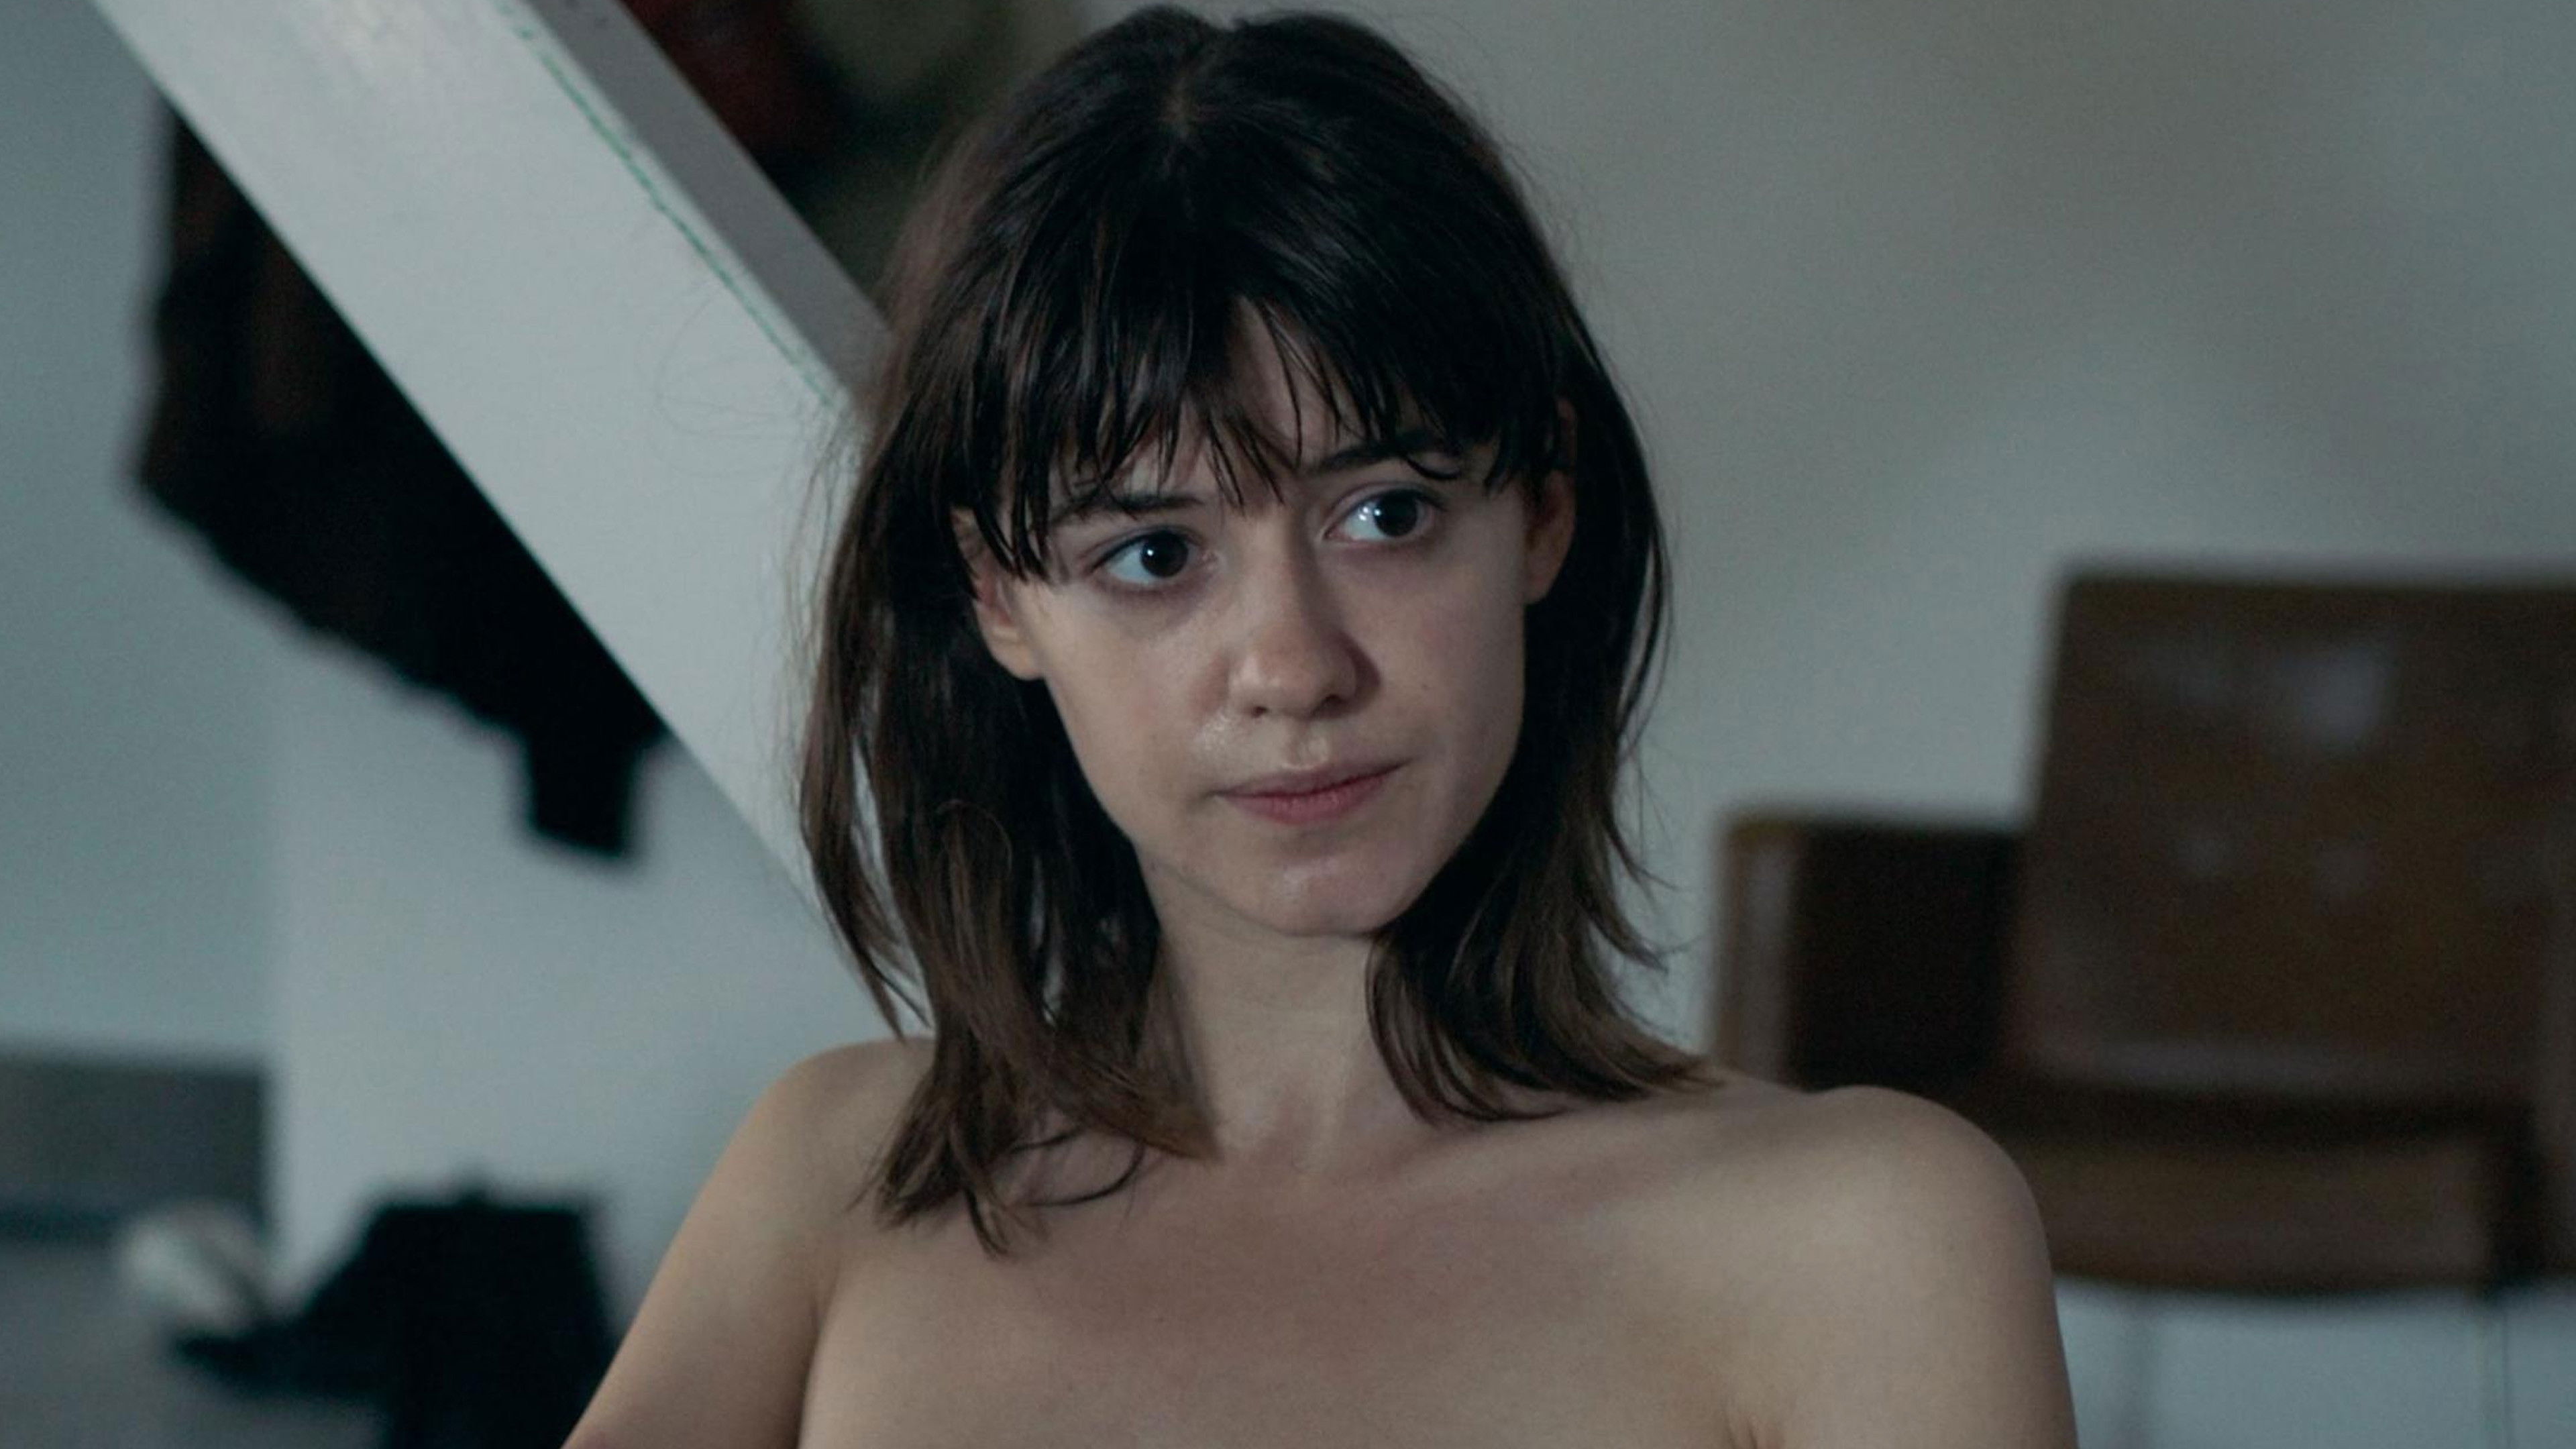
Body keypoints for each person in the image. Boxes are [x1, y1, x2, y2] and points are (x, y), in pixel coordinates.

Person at [568, 7, 2078, 1446]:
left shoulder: (1863, 1239)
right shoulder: (840, 1177)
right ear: (999, 599)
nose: (1292, 667)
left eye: (1385, 514)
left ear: (1542, 511)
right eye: (1153, 554)